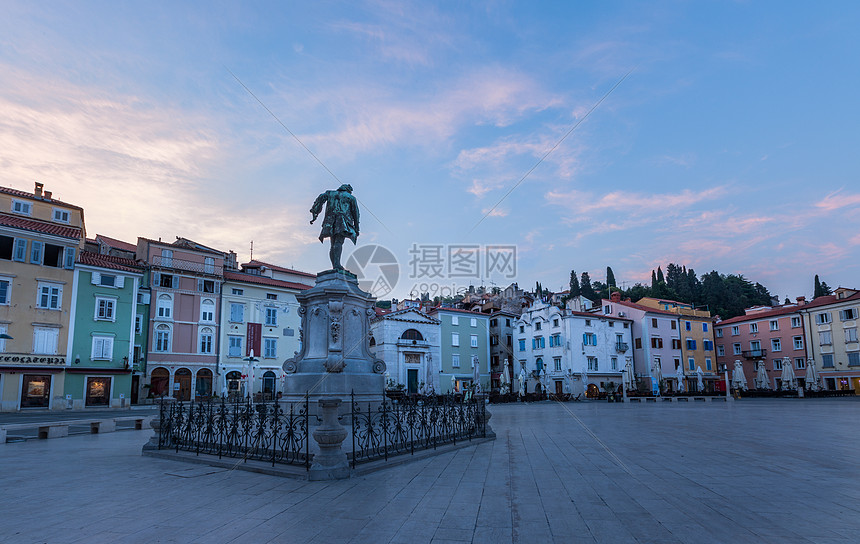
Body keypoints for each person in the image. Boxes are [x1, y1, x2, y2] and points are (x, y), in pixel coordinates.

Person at [310, 184, 360, 270]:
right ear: (348, 190)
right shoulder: (351, 198)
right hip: (342, 221)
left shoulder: (330, 193)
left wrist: (315, 214)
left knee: (332, 244)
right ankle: (337, 265)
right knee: (338, 242)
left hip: (330, 221)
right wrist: (357, 227)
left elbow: (320, 199)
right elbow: (356, 213)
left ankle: (335, 265)